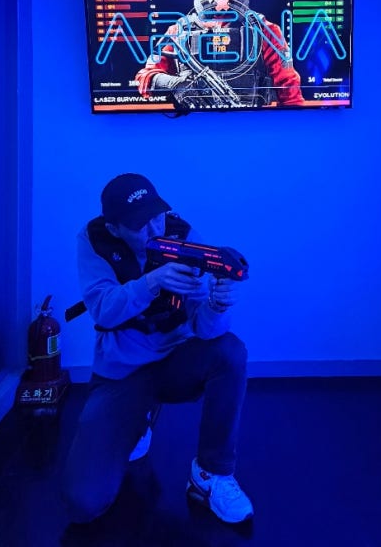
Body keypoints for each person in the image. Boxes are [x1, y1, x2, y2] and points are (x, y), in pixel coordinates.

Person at [62, 173, 252, 527]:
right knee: (84, 502)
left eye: (157, 216)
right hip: (121, 372)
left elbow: (204, 330)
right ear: (115, 228)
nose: (154, 229)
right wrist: (152, 282)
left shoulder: (183, 236)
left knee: (230, 352)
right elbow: (102, 310)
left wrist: (218, 304)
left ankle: (211, 475)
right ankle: (140, 417)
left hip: (176, 360)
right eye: (139, 224)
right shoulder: (94, 240)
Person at [135, 0, 305, 109]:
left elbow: (290, 89)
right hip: (192, 123)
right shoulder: (179, 31)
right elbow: (144, 77)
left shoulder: (264, 30)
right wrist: (175, 84)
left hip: (249, 122)